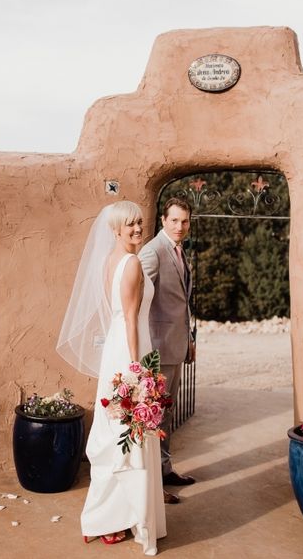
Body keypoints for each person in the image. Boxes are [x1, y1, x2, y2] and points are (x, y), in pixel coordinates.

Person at [57, 201, 166, 555]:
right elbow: (132, 319)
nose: (137, 228)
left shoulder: (111, 262)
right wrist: (138, 372)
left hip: (117, 351)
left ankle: (104, 516)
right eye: (129, 225)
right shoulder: (132, 262)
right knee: (127, 437)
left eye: (138, 222)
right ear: (115, 231)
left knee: (117, 434)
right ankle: (111, 518)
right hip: (129, 353)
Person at [139, 197, 196, 504]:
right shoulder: (153, 252)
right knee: (153, 415)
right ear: (163, 220)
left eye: (185, 221)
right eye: (174, 220)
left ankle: (164, 469)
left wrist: (188, 340)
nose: (180, 227)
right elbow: (136, 298)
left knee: (166, 414)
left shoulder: (178, 250)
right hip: (157, 349)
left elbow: (180, 303)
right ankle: (151, 485)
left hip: (175, 345)